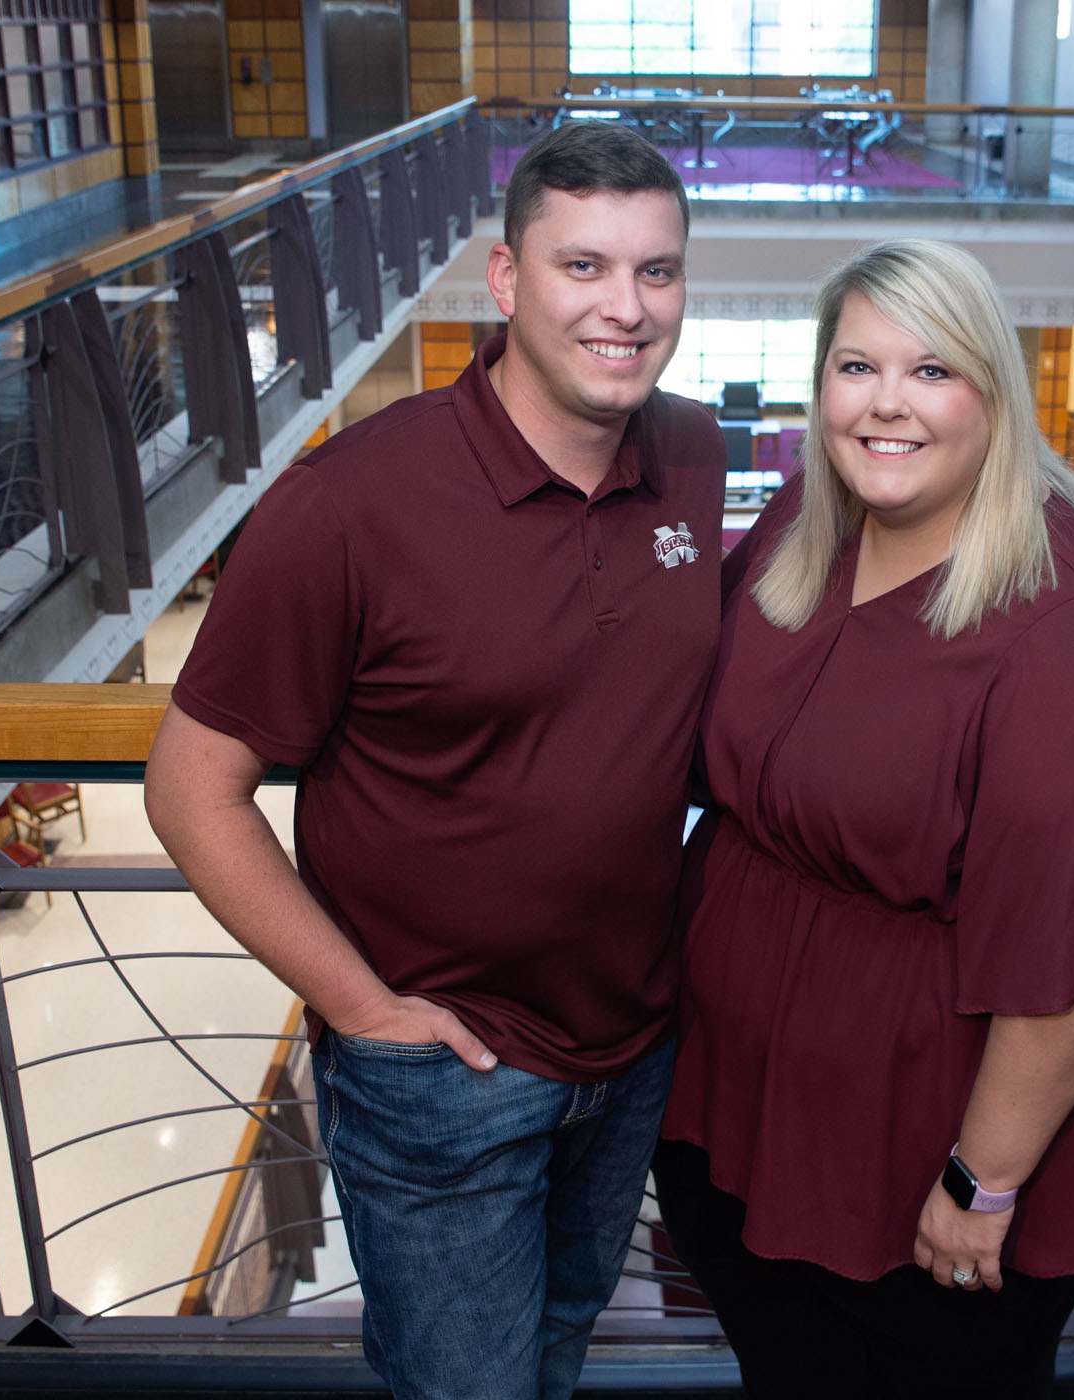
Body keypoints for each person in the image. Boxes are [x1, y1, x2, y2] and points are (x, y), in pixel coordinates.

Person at [145, 121, 724, 1400]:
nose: (625, 308)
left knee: (561, 1343)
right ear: (507, 283)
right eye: (583, 267)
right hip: (441, 1067)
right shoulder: (348, 505)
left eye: (658, 271)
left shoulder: (690, 455)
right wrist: (364, 1012)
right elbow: (192, 788)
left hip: (631, 1043)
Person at [652, 238, 1074, 1398]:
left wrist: (984, 1181)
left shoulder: (1073, 629)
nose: (885, 404)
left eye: (931, 372)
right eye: (856, 366)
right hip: (750, 1104)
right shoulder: (800, 536)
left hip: (930, 1140)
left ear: (994, 394)